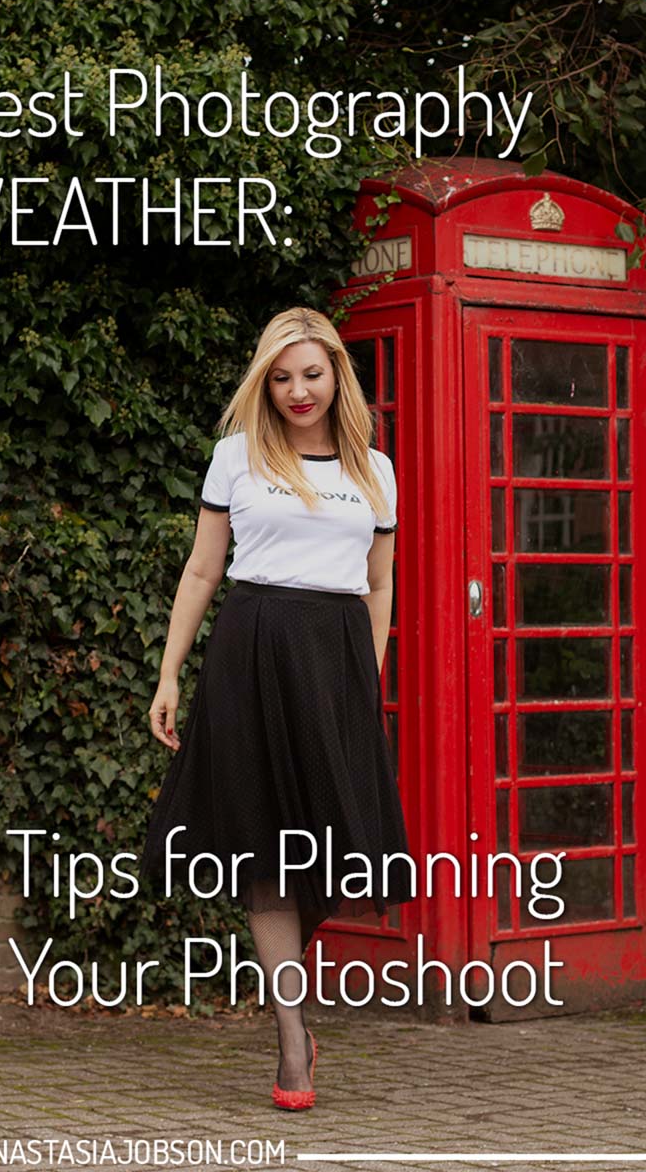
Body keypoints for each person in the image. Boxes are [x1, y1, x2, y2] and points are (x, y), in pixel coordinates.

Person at [139, 306, 412, 1111]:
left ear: (337, 376)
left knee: (334, 847)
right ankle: (293, 1039)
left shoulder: (376, 470)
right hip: (252, 653)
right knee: (265, 853)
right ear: (265, 380)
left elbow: (380, 582)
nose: (298, 390)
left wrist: (371, 677)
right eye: (282, 376)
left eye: (312, 374)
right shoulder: (237, 458)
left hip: (335, 661)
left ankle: (293, 1006)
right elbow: (200, 571)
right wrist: (169, 673)